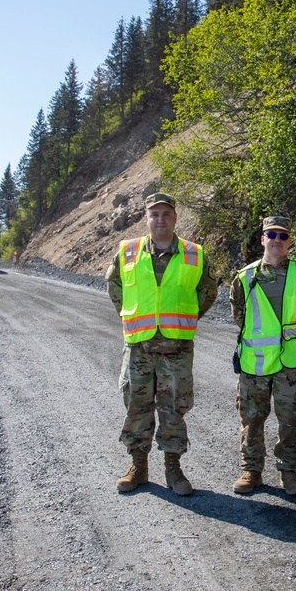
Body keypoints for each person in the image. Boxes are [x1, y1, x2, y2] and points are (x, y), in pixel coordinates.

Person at [106, 192, 217, 496]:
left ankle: (173, 468)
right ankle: (138, 467)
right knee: (136, 406)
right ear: (146, 218)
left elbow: (208, 291)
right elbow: (114, 285)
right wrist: (129, 316)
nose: (160, 219)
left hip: (176, 349)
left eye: (166, 214)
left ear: (175, 218)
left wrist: (186, 318)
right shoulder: (128, 251)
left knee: (173, 407)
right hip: (138, 346)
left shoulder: (194, 254)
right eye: (154, 214)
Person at [230, 216, 296, 495]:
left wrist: (294, 332)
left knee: (291, 419)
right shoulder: (244, 277)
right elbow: (239, 316)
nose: (277, 241)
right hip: (254, 361)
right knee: (252, 418)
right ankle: (251, 471)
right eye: (272, 235)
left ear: (290, 241)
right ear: (262, 239)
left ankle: (288, 472)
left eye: (283, 236)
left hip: (291, 362)